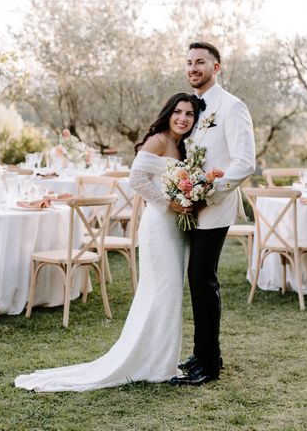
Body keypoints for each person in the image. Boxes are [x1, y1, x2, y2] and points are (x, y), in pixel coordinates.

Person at [14, 93, 200, 392]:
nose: (183, 118)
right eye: (178, 112)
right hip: (159, 225)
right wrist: (171, 204)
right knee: (161, 290)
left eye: (189, 114)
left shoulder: (182, 146)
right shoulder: (158, 140)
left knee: (169, 293)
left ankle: (161, 359)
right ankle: (153, 363)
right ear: (168, 113)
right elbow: (137, 179)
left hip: (176, 228)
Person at [170, 42, 256, 386]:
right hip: (190, 206)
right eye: (189, 62)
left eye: (200, 62)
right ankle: (203, 352)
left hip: (215, 207)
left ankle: (209, 364)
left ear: (215, 67)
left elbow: (244, 162)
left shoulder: (232, 107)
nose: (193, 67)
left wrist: (207, 191)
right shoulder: (191, 108)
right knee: (197, 280)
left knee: (203, 280)